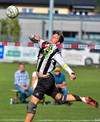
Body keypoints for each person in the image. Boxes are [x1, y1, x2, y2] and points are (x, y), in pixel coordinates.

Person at [25, 31, 99, 122]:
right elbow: (32, 37)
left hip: (45, 81)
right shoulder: (44, 44)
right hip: (46, 80)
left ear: (58, 43)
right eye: (53, 36)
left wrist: (71, 73)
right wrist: (34, 36)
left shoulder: (56, 52)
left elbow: (63, 64)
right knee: (60, 98)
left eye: (55, 38)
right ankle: (84, 99)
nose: (52, 38)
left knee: (31, 105)